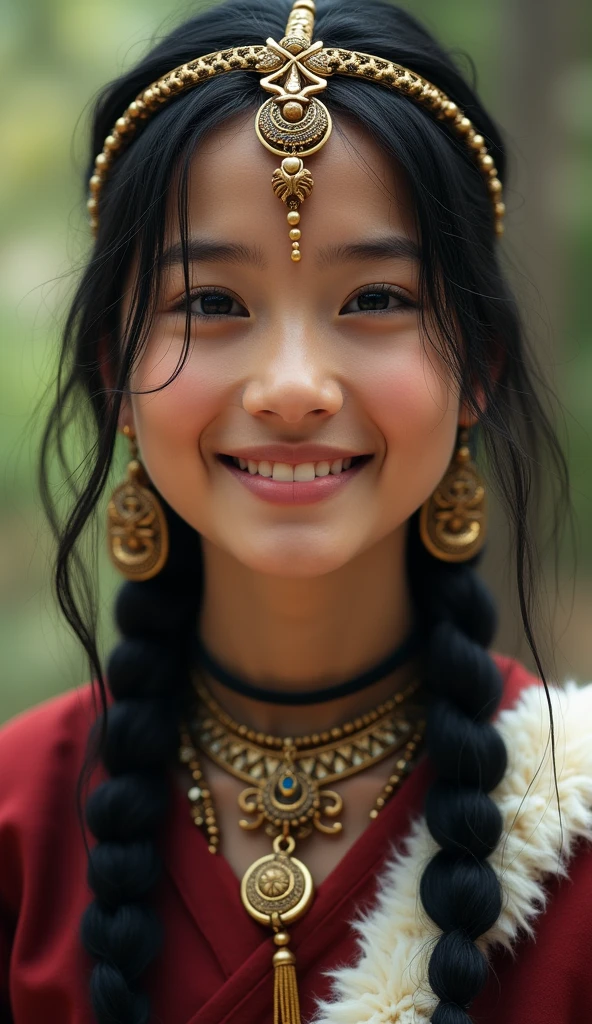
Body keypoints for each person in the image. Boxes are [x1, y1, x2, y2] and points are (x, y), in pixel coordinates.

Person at [1, 0, 591, 1022]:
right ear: (115, 370)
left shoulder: (573, 831)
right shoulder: (18, 820)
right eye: (212, 304)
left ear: (478, 370)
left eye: (374, 299)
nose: (291, 385)